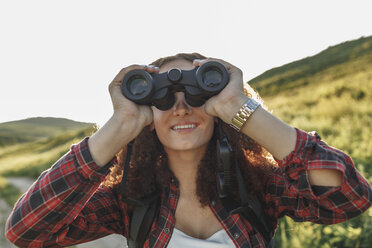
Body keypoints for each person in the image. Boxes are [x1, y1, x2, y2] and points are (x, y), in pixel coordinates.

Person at [5, 53, 372, 248]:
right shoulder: (128, 199)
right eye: (162, 98)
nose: (181, 108)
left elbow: (349, 197)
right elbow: (27, 231)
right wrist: (122, 125)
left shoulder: (258, 184)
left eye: (199, 95)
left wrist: (239, 109)